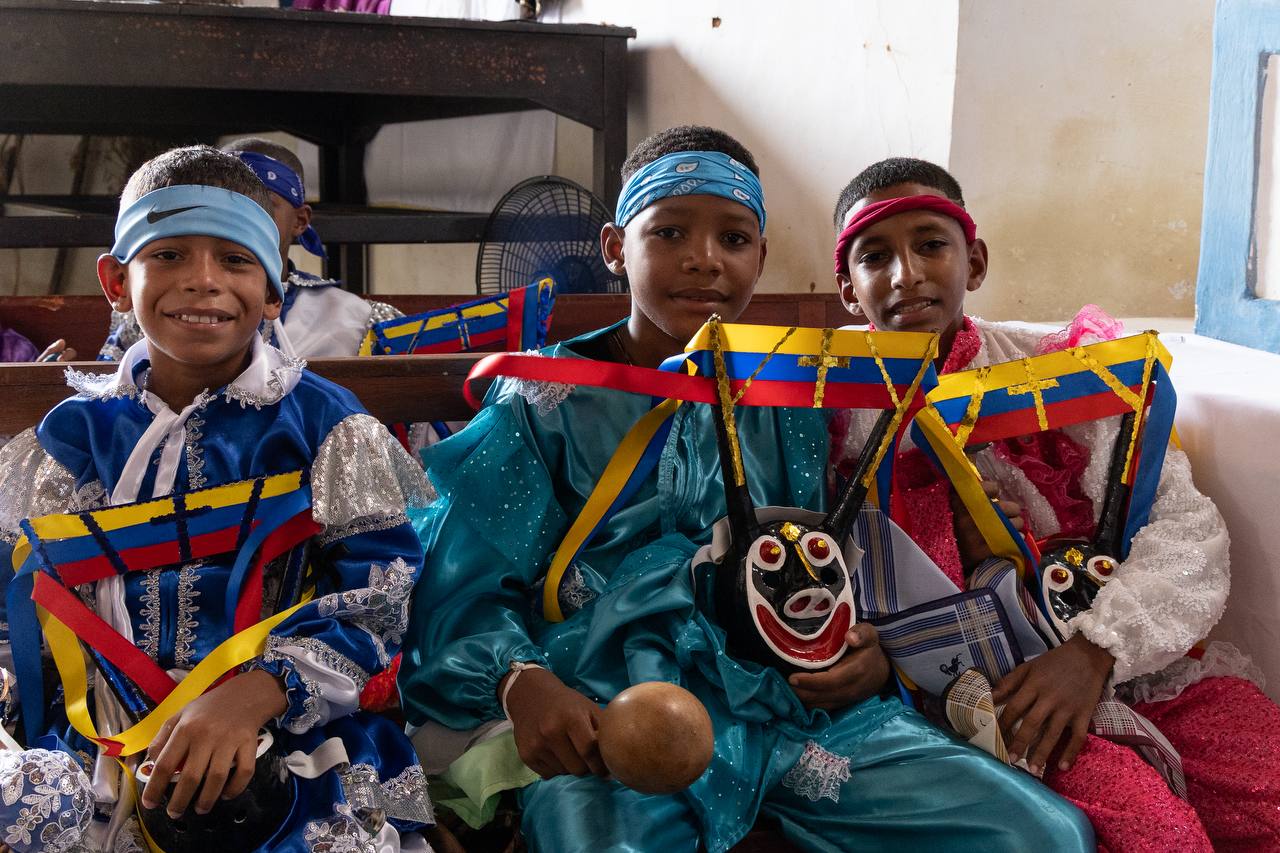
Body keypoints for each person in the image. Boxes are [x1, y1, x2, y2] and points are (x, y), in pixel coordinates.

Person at [399, 126, 1093, 853]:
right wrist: (521, 682)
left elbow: (831, 563)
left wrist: (867, 654)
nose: (705, 259)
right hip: (607, 719)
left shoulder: (791, 399)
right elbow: (461, 590)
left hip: (787, 711)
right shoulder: (544, 399)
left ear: (760, 256)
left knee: (1043, 835)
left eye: (733, 239)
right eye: (670, 232)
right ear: (614, 247)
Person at [829, 156, 1280, 852]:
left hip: (1127, 661)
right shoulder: (830, 405)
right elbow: (828, 563)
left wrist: (1094, 653)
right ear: (848, 289)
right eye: (875, 256)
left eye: (931, 245)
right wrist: (949, 541)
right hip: (984, 693)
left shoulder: (1068, 371)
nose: (906, 274)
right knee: (1158, 836)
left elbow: (1184, 528)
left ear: (975, 261)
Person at [0, 145, 433, 851]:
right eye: (168, 254)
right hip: (94, 742)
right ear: (116, 281)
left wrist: (255, 694)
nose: (203, 281)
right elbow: (16, 599)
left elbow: (379, 598)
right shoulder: (70, 437)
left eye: (235, 259)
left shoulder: (325, 426)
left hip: (282, 738)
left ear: (274, 291)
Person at [98, 137, 402, 361]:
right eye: (169, 255)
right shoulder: (146, 310)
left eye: (263, 204)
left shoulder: (354, 318)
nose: (204, 280)